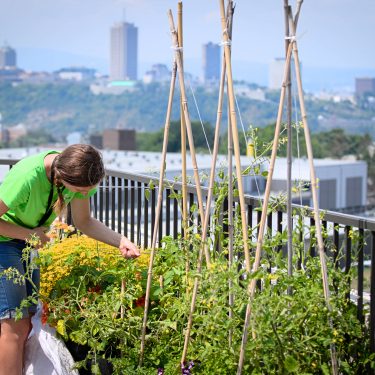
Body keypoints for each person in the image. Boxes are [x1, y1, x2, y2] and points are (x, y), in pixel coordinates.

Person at [0, 144, 140, 375]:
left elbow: (84, 222)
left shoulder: (76, 177)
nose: (84, 194)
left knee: (28, 320)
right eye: (80, 190)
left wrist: (121, 241)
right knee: (13, 324)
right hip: (5, 241)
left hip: (28, 243)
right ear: (60, 175)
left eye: (88, 190)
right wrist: (29, 235)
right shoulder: (28, 175)